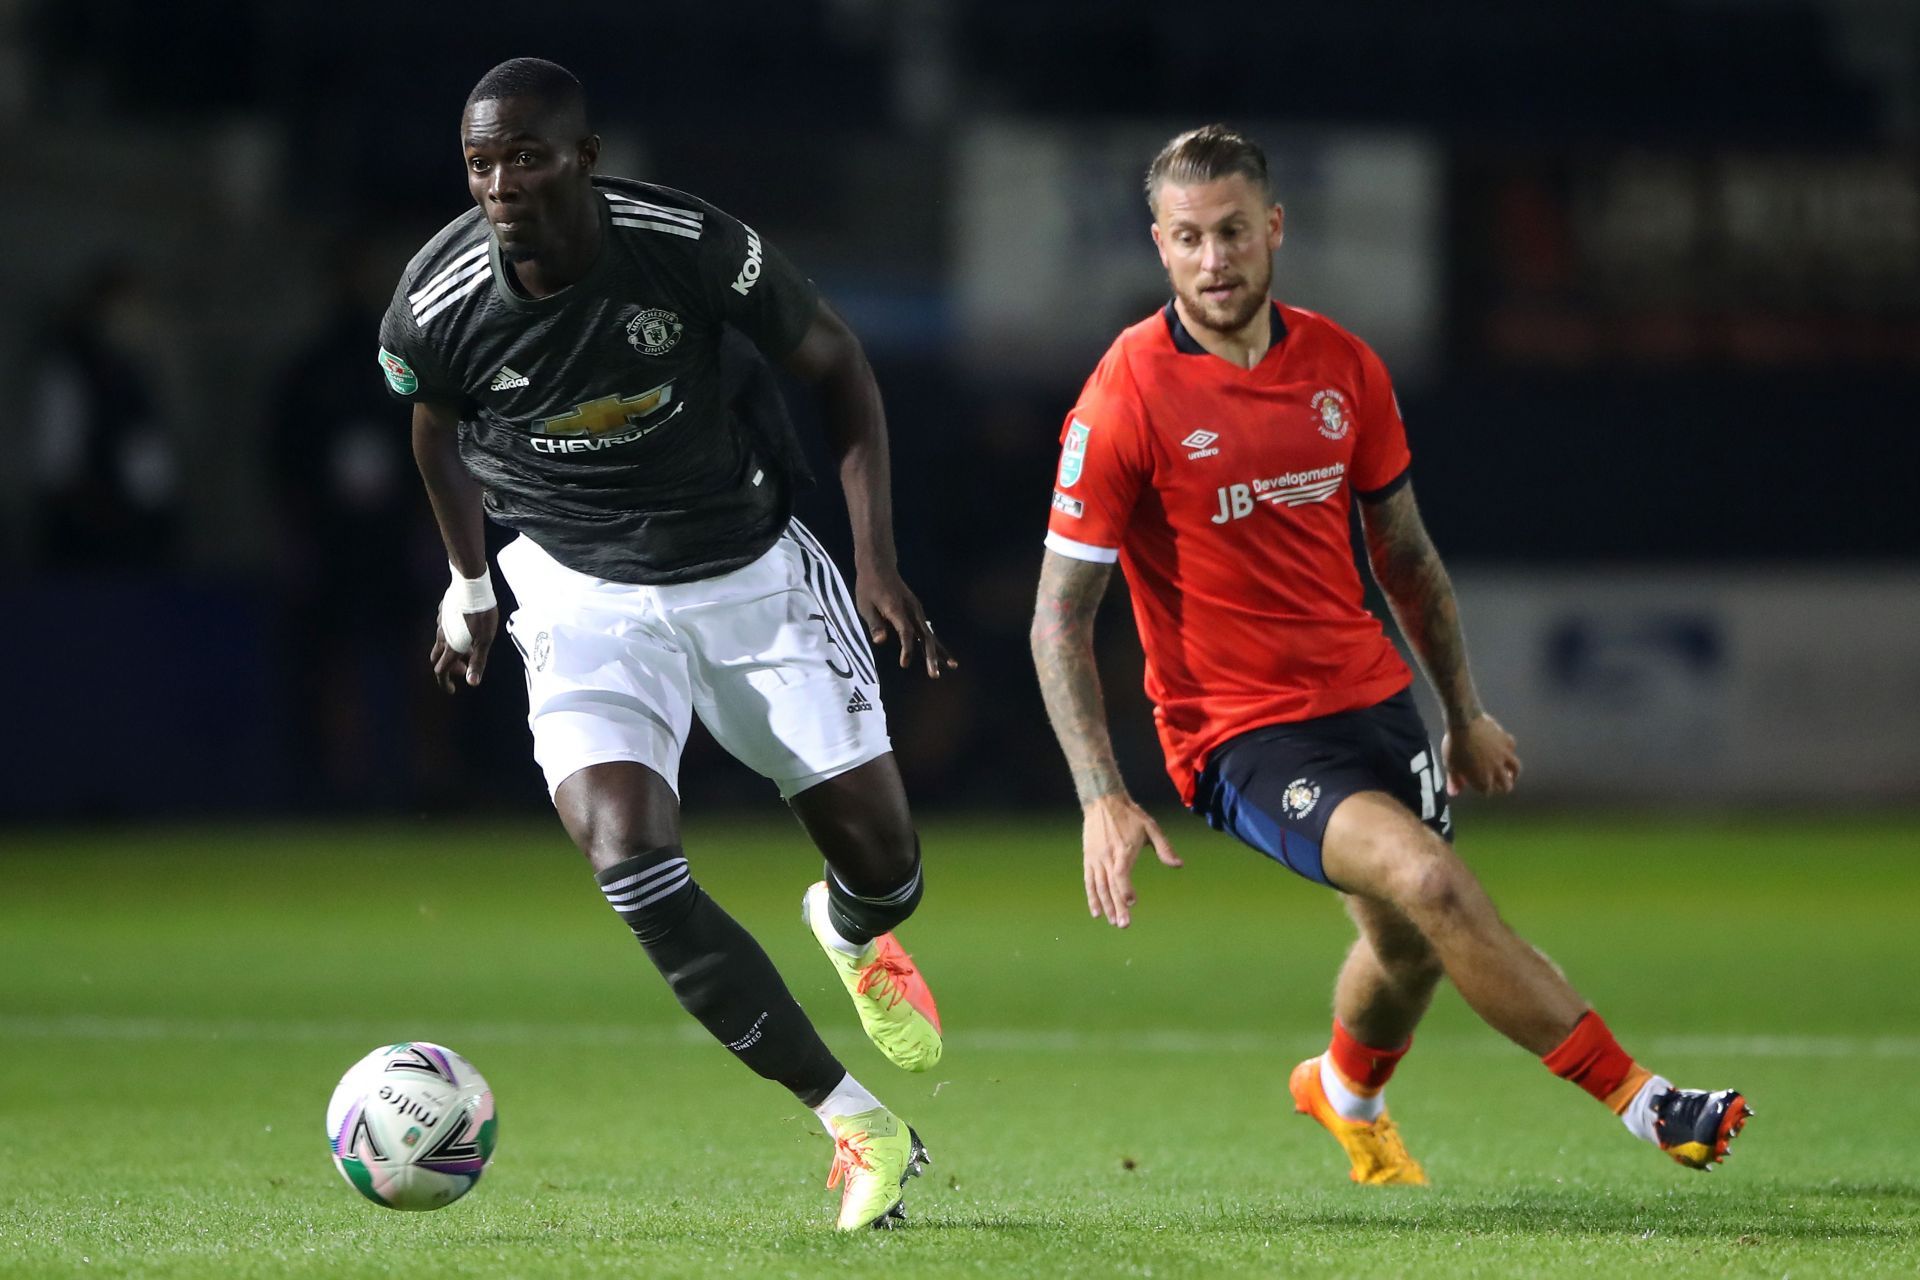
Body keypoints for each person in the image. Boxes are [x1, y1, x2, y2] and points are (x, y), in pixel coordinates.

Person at [1028, 125, 1750, 1186]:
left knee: (1410, 943)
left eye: (1232, 231)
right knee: (1432, 881)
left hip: (1374, 702)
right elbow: (1057, 618)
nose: (1215, 259)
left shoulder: (1343, 367)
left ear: (1274, 227)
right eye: (1189, 239)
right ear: (1159, 246)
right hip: (1241, 734)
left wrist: (1462, 710)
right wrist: (1100, 790)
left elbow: (1405, 555)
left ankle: (1344, 1086)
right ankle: (1652, 1104)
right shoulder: (1126, 393)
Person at [379, 58, 953, 1230]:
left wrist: (876, 558)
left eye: (527, 155)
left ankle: (849, 927)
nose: (500, 182)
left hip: (749, 576)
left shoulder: (685, 243)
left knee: (889, 868)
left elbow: (838, 362)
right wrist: (468, 581)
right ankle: (855, 1120)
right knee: (631, 862)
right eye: (481, 162)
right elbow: (434, 431)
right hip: (581, 594)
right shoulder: (434, 303)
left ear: (584, 159)